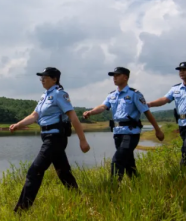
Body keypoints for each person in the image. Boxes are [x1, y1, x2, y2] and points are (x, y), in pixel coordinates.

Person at [10, 67, 90, 212]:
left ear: (54, 79)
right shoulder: (44, 96)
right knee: (63, 172)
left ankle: (21, 211)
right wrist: (18, 125)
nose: (42, 80)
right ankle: (79, 200)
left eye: (45, 77)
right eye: (41, 78)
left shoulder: (60, 94)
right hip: (48, 137)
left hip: (55, 139)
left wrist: (82, 140)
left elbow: (73, 118)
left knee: (34, 171)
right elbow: (34, 115)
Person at [83, 67, 165, 181]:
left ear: (125, 77)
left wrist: (157, 130)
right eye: (113, 76)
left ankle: (113, 187)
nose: (114, 78)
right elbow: (103, 106)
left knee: (117, 160)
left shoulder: (134, 94)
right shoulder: (112, 95)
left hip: (130, 133)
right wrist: (91, 112)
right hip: (117, 133)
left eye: (117, 75)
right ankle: (137, 183)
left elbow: (146, 112)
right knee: (128, 163)